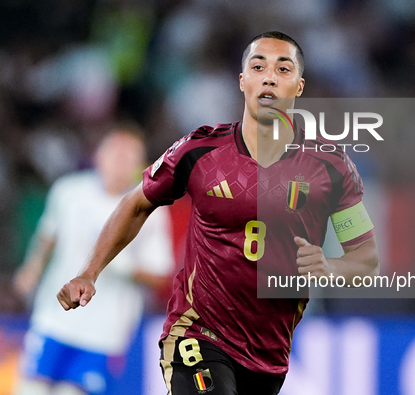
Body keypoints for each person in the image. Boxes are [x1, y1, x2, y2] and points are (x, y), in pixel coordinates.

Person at [57, 31, 379, 395]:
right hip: (197, 331)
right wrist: (89, 271)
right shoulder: (200, 152)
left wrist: (330, 267)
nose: (269, 76)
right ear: (243, 81)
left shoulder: (331, 167)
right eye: (258, 67)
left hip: (268, 354)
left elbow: (365, 259)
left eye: (283, 68)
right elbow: (136, 202)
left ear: (299, 86)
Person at [14, 127, 174, 395]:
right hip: (54, 319)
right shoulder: (69, 191)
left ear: (140, 165)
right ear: (98, 155)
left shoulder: (150, 209)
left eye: (128, 157)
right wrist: (31, 268)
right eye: (115, 154)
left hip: (104, 333)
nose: (119, 162)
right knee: (29, 390)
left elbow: (161, 274)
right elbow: (48, 235)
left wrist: (127, 267)